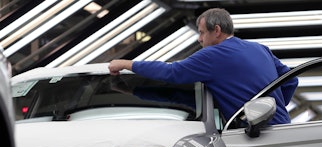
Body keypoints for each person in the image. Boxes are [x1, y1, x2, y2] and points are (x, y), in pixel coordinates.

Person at [108, 8, 298, 125]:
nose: (199, 39)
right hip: (283, 128)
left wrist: (127, 63)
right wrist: (273, 107)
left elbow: (172, 73)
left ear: (216, 31)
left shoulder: (213, 55)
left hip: (256, 137)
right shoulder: (259, 48)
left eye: (201, 33)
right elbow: (292, 79)